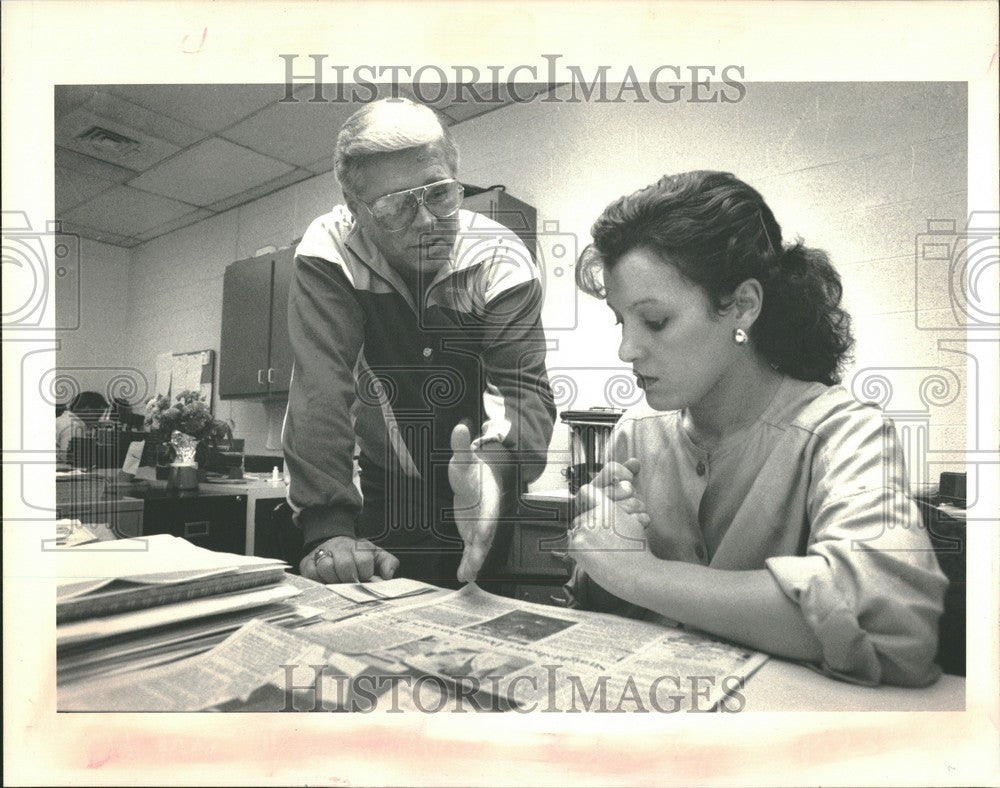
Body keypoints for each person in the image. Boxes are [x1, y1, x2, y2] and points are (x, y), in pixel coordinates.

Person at [567, 170, 948, 687]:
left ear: (742, 306)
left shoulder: (842, 432)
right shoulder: (637, 432)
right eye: (620, 321)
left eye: (654, 321)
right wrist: (604, 550)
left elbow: (896, 629)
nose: (626, 350)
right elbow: (605, 617)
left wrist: (642, 572)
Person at [283, 98, 556, 587]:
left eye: (439, 194)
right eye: (395, 206)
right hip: (385, 489)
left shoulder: (501, 257)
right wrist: (328, 528)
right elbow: (321, 389)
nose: (427, 220)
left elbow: (523, 393)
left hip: (483, 484)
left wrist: (491, 478)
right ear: (355, 210)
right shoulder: (330, 249)